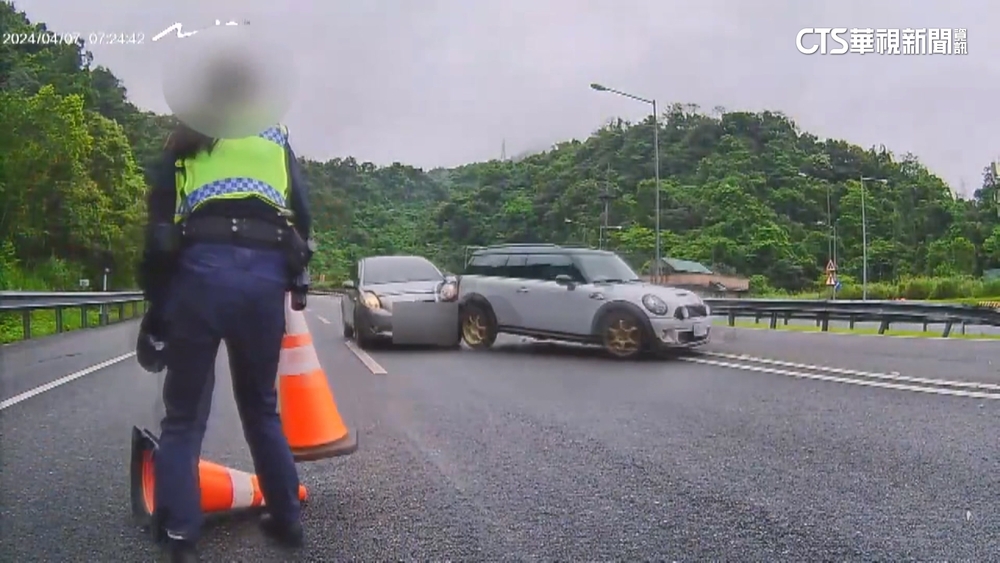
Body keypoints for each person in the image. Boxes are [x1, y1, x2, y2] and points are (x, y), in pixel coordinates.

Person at [137, 118, 314, 562]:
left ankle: (180, 535)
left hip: (200, 274)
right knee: (260, 407)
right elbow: (304, 211)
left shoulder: (186, 138)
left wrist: (158, 312)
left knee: (183, 417)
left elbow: (159, 234)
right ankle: (287, 519)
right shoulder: (274, 135)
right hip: (264, 276)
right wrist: (298, 273)